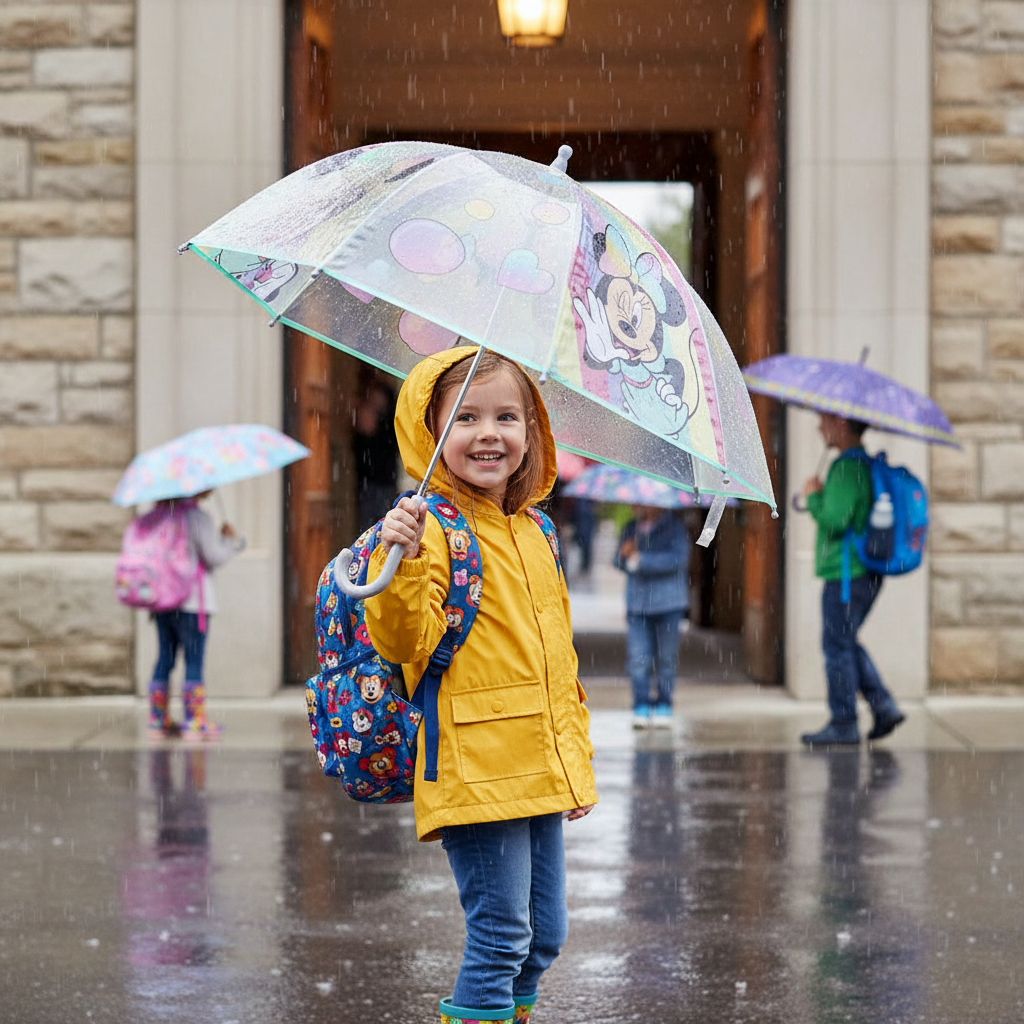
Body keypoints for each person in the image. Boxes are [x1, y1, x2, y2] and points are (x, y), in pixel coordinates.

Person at [363, 347, 598, 1024]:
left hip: (535, 766)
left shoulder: (537, 531)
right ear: (432, 433)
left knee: (543, 936)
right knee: (501, 936)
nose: (489, 433)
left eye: (507, 417)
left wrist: (571, 765)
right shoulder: (429, 529)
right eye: (465, 417)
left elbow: (559, 666)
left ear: (533, 434)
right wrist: (400, 560)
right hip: (474, 766)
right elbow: (405, 642)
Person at [800, 413, 905, 746]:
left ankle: (844, 722)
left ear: (841, 425)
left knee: (836, 645)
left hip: (846, 575)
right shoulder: (863, 463)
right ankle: (883, 706)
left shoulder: (846, 467)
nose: (819, 427)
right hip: (864, 573)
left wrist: (813, 496)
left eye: (823, 421)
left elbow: (834, 520)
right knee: (844, 641)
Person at [148, 490, 245, 742]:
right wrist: (230, 542)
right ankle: (194, 722)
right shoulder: (197, 517)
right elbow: (212, 558)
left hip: (161, 601)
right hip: (192, 601)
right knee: (193, 661)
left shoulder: (159, 515)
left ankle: (157, 722)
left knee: (164, 659)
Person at [614, 504, 691, 729]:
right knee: (638, 658)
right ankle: (641, 704)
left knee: (666, 658)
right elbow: (619, 562)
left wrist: (641, 561)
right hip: (637, 605)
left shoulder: (675, 528)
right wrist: (623, 555)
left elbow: (678, 560)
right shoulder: (631, 528)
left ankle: (664, 703)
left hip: (669, 603)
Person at [353, 371, 399, 533]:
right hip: (372, 478)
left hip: (381, 477)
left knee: (377, 524)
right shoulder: (385, 410)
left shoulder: (388, 412)